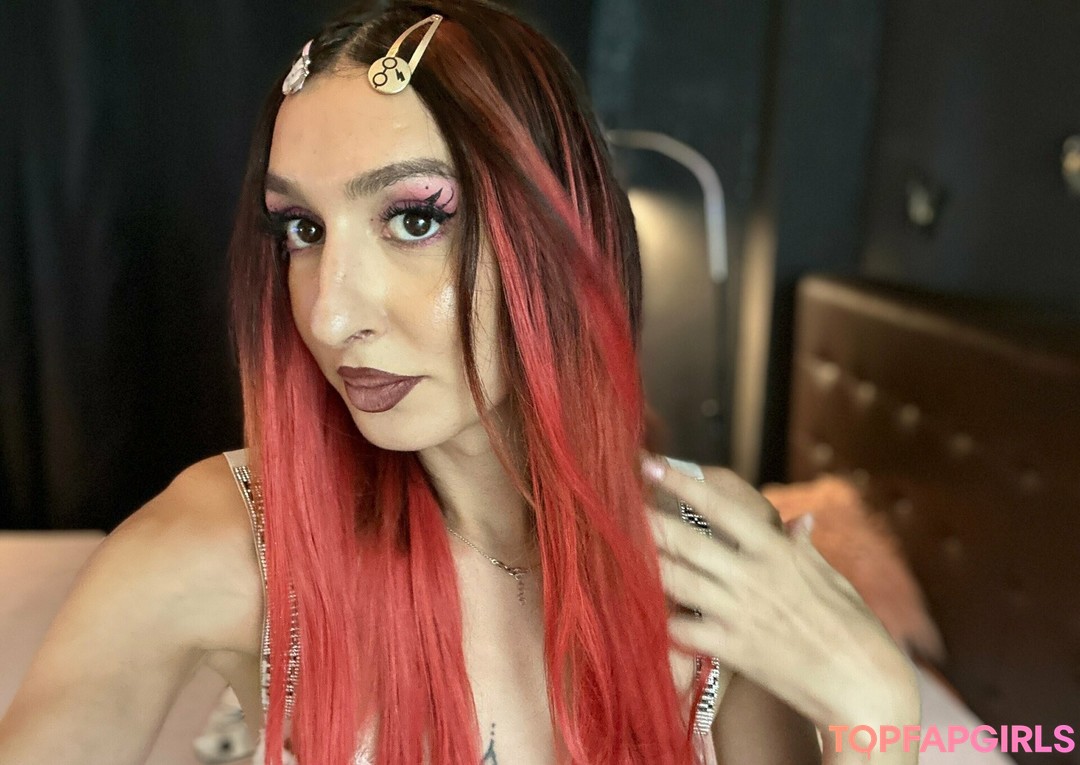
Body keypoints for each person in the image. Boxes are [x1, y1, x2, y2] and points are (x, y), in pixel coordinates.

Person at [0, 1, 920, 763]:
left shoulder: (708, 552)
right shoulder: (220, 542)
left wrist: (879, 713)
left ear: (558, 225)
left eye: (412, 219)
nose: (329, 315)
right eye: (302, 230)